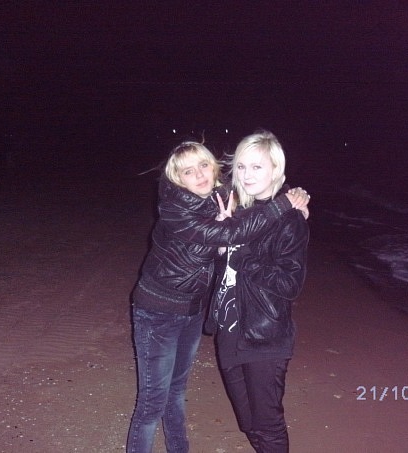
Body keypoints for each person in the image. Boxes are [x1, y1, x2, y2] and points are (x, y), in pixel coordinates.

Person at [126, 141, 309, 453]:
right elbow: (230, 236)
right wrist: (284, 203)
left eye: (204, 166)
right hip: (160, 311)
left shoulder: (223, 199)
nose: (199, 175)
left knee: (179, 393)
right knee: (153, 402)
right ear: (177, 178)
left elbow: (257, 190)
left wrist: (295, 197)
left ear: (214, 169)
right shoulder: (176, 211)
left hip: (208, 316)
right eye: (188, 171)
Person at [205, 131, 310, 453]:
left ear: (276, 170)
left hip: (264, 337)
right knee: (248, 422)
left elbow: (290, 284)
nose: (247, 175)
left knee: (267, 423)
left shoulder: (289, 220)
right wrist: (221, 247)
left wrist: (242, 256)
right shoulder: (235, 210)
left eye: (257, 167)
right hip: (230, 331)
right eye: (241, 166)